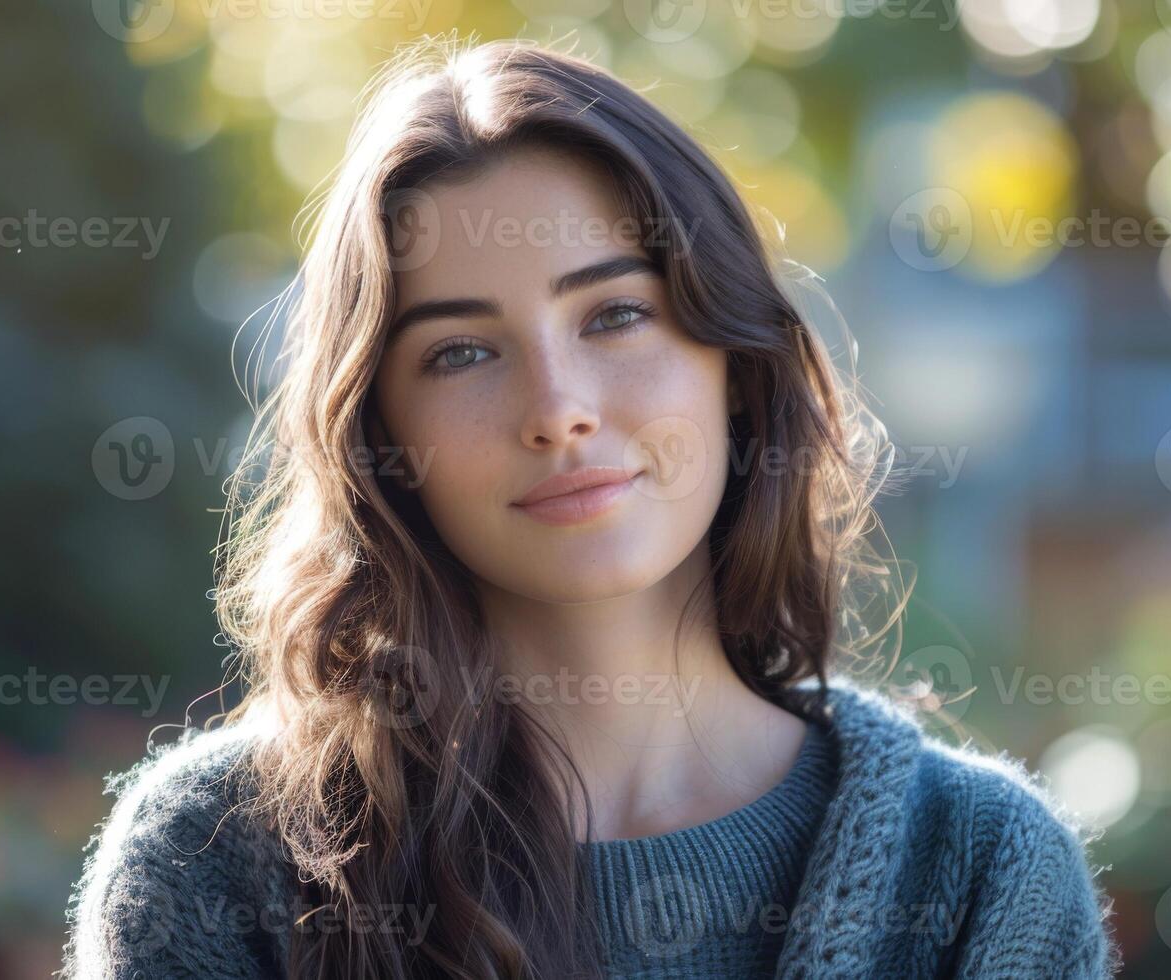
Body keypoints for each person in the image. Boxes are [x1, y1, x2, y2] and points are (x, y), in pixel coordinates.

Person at [60, 36, 1117, 979]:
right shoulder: (216, 867)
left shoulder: (984, 871)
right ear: (383, 441)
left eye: (615, 314)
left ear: (734, 366)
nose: (558, 410)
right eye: (461, 352)